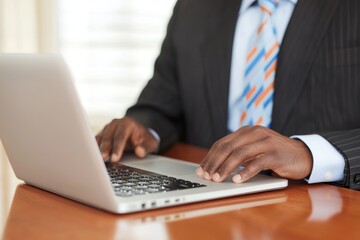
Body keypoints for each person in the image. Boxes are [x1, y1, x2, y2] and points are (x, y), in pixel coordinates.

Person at [96, 0, 360, 190]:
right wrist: (143, 128)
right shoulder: (193, 8)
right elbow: (162, 102)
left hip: (316, 206)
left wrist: (309, 153)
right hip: (209, 194)